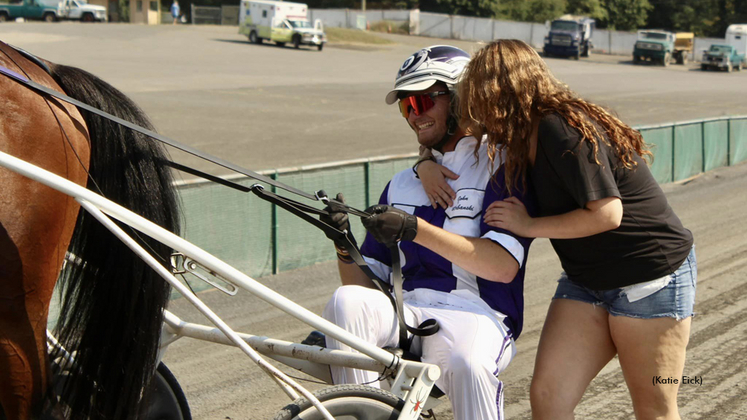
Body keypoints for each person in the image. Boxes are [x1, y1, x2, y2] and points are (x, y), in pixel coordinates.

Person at [417, 39, 696, 420]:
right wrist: (424, 165)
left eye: (479, 101)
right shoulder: (513, 137)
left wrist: (529, 225)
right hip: (586, 282)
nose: (474, 113)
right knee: (548, 398)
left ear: (501, 92)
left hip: (650, 279)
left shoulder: (559, 127)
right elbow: (448, 144)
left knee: (654, 409)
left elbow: (607, 214)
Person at [319, 45, 536, 420]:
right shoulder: (401, 184)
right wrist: (344, 244)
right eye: (406, 106)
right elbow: (368, 287)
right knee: (345, 302)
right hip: (411, 314)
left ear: (460, 97)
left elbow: (501, 268)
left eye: (422, 102)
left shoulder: (503, 167)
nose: (413, 116)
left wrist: (413, 229)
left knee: (468, 362)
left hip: (479, 317)